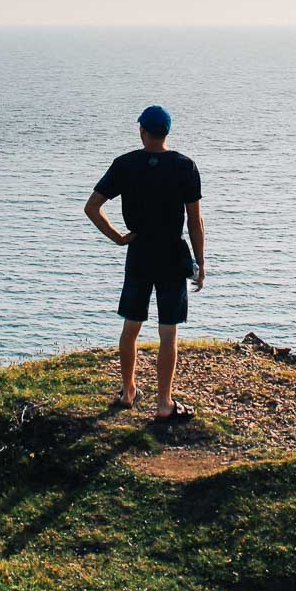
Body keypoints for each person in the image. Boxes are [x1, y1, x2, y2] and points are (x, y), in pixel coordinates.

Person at [83, 104, 205, 420]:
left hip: (139, 252)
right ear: (167, 132)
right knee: (168, 333)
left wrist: (119, 238)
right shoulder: (184, 166)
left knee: (131, 327)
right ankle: (164, 403)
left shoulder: (125, 165)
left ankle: (129, 391)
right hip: (172, 254)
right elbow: (194, 220)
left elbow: (92, 207)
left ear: (142, 131)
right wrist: (201, 263)